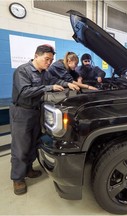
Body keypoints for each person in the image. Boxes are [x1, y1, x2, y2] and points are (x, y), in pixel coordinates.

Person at [10, 44, 79, 195]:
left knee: (34, 143)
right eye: (46, 59)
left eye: (51, 60)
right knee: (20, 147)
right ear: (36, 56)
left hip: (36, 112)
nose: (49, 63)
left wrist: (68, 84)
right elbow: (24, 92)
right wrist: (49, 88)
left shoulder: (45, 73)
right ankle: (18, 178)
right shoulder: (23, 70)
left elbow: (55, 81)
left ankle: (28, 169)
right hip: (22, 112)